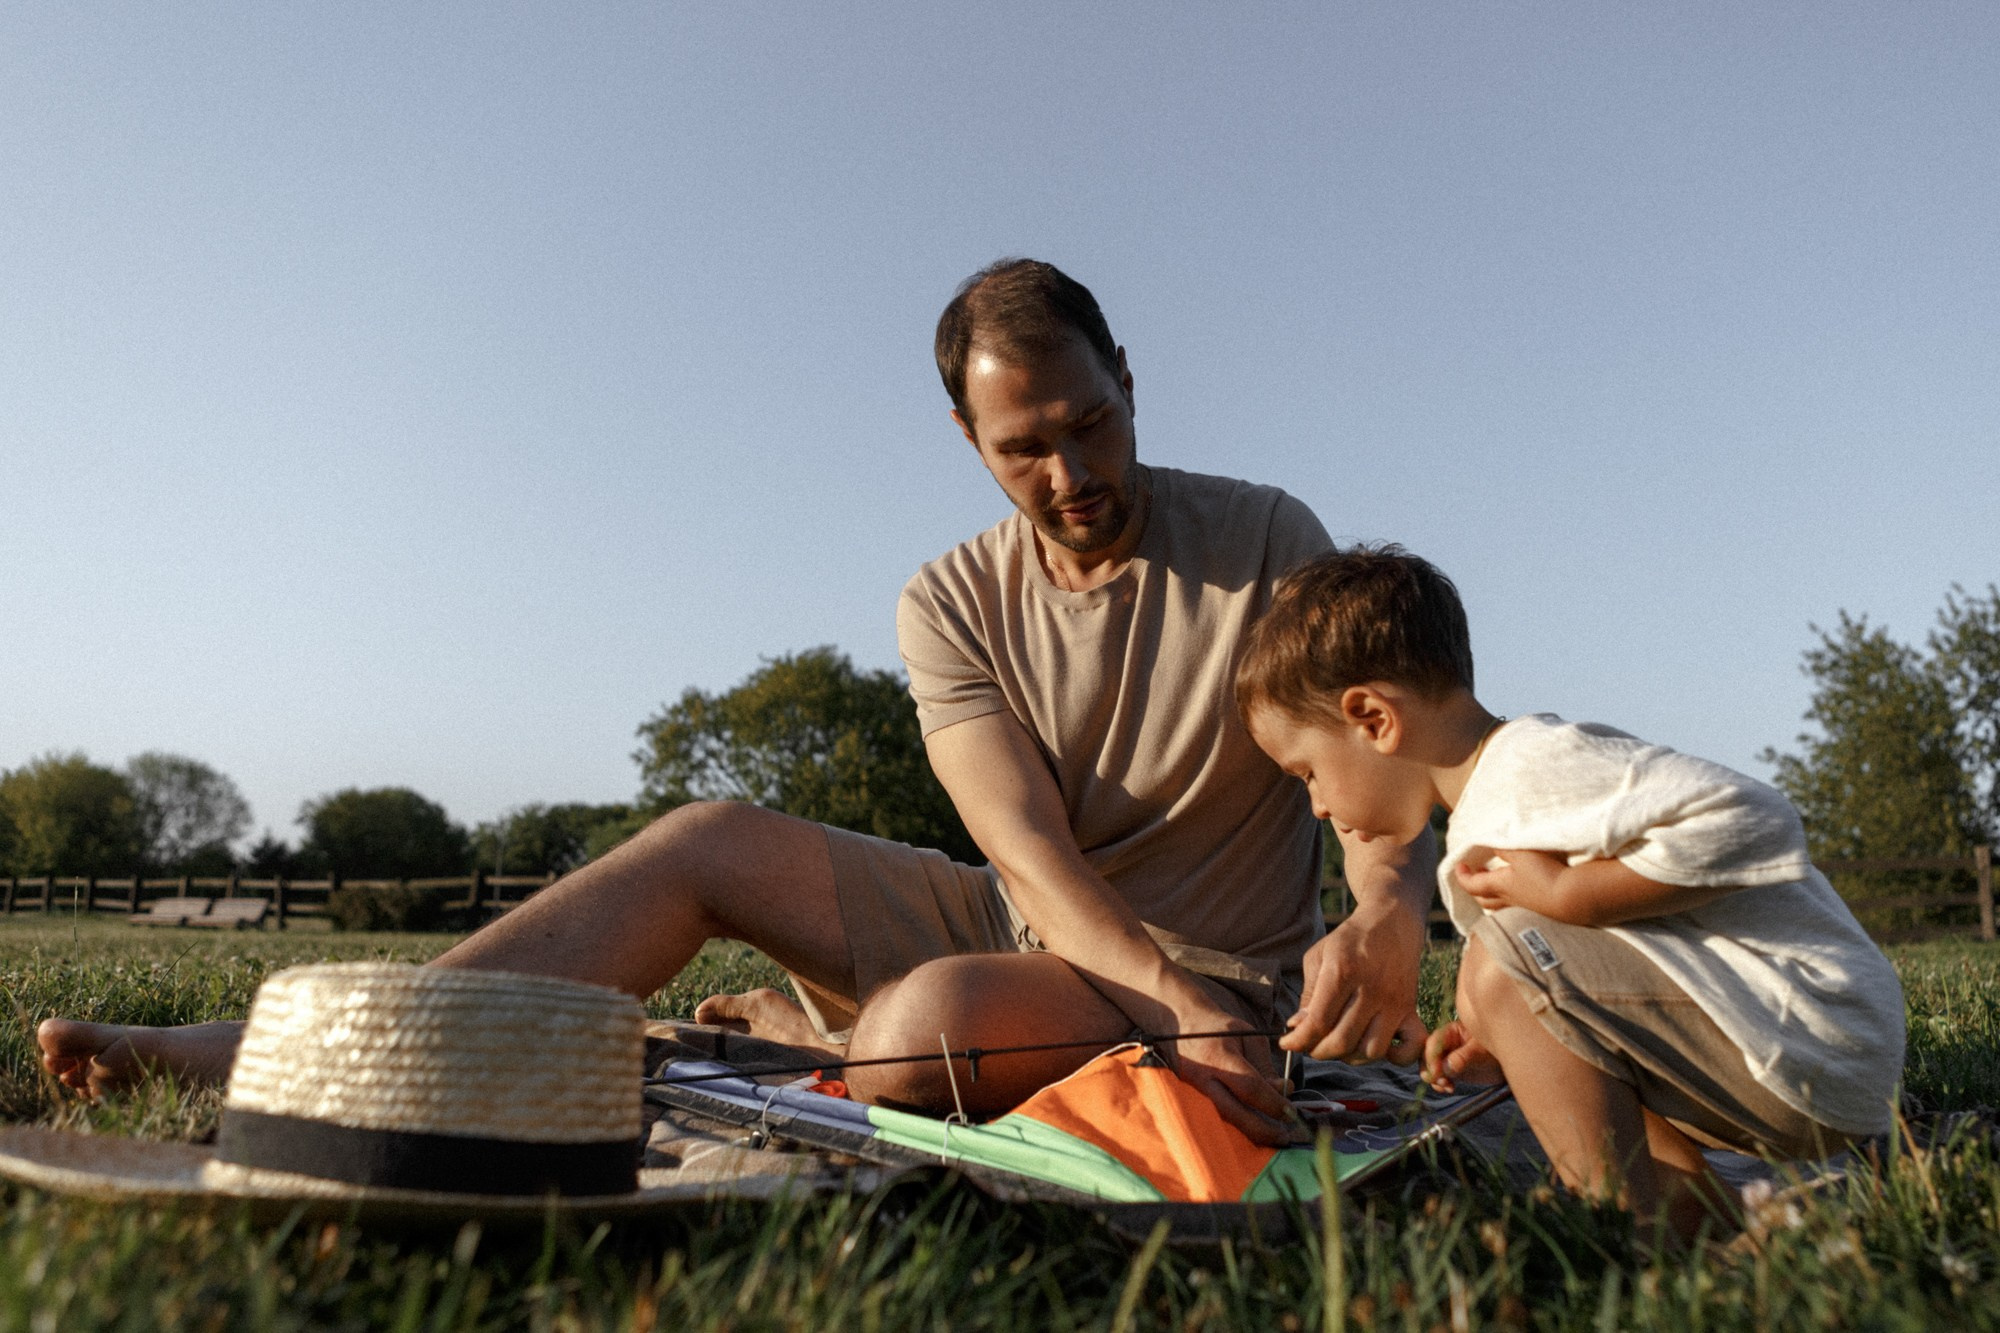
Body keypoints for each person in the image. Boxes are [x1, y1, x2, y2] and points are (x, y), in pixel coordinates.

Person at [39, 260, 1438, 1145]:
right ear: (970, 439)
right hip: (1045, 925)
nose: (1070, 474)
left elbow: (1378, 751)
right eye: (1026, 450)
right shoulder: (948, 599)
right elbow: (1030, 858)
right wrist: (1146, 985)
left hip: (1227, 978)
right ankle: (304, 1049)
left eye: (1092, 426)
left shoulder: (1267, 537)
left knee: (912, 1044)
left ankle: (817, 1035)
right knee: (705, 835)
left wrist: (1383, 909)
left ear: (1128, 383)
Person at [1234, 544, 1905, 1240]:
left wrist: (1570, 894)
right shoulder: (1489, 805)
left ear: (1374, 718)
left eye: (1307, 771)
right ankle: (1691, 1216)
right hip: (1794, 1049)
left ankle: (1616, 1219)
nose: (1313, 805)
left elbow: (1758, 817)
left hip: (1819, 1035)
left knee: (1498, 965)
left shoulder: (1534, 766)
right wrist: (1508, 1039)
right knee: (1488, 984)